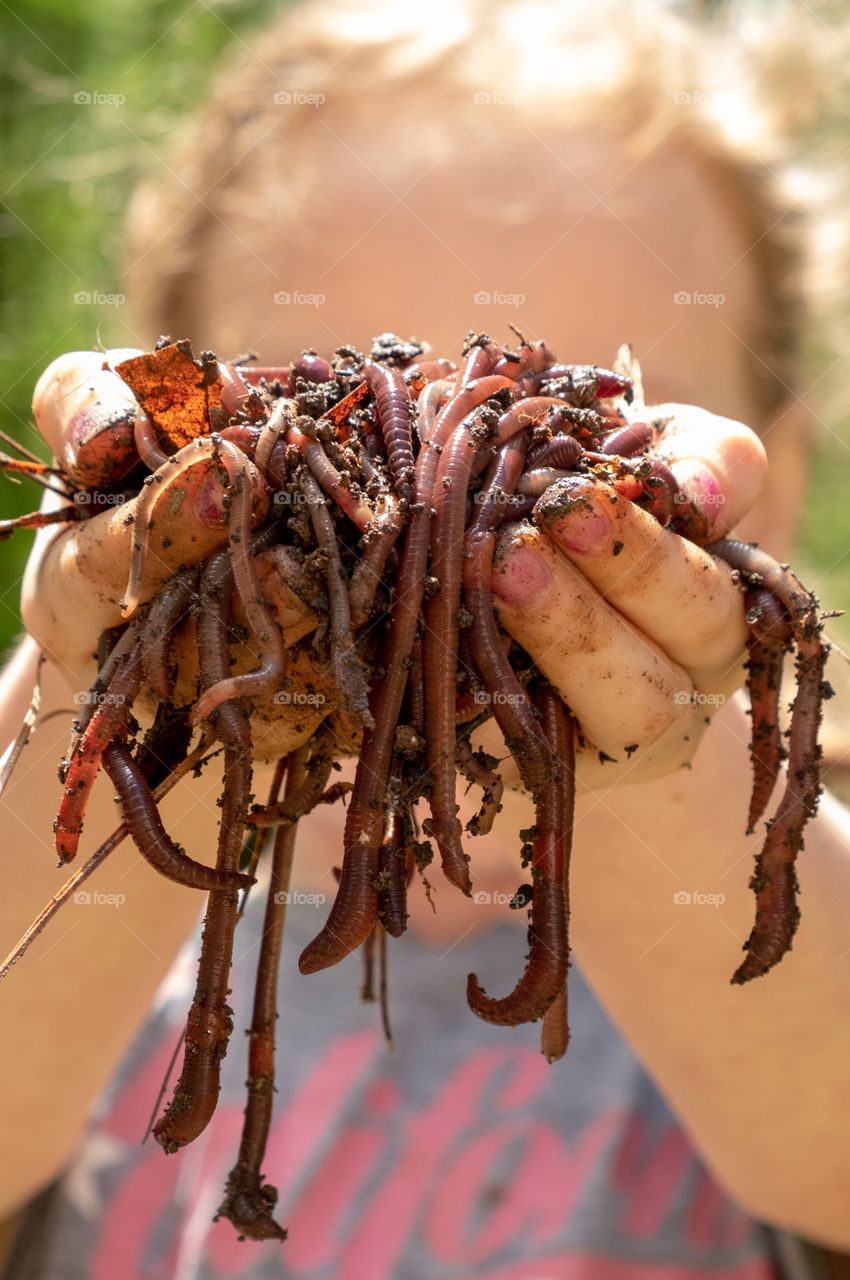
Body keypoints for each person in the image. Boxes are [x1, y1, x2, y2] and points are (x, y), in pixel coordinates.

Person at [1, 1, 849, 1276]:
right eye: (303, 382)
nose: (426, 554)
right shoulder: (85, 894)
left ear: (762, 487)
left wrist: (640, 766)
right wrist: (115, 679)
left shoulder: (803, 854)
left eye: (605, 400)